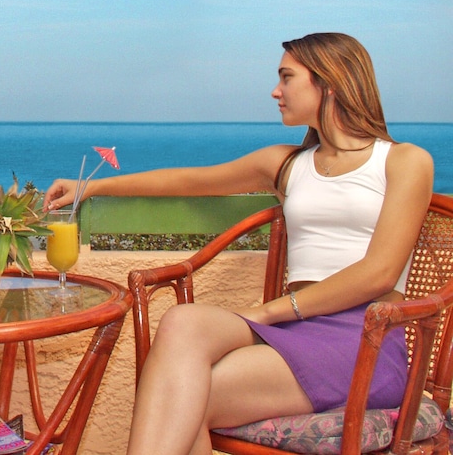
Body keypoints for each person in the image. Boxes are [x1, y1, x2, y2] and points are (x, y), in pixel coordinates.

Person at [43, 32, 434, 455]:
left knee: (183, 397)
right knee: (183, 325)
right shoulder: (287, 163)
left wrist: (270, 311)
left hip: (365, 338)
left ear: (329, 82)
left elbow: (380, 272)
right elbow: (191, 181)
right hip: (298, 331)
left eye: (286, 77)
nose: (276, 91)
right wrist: (92, 186)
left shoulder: (404, 161)